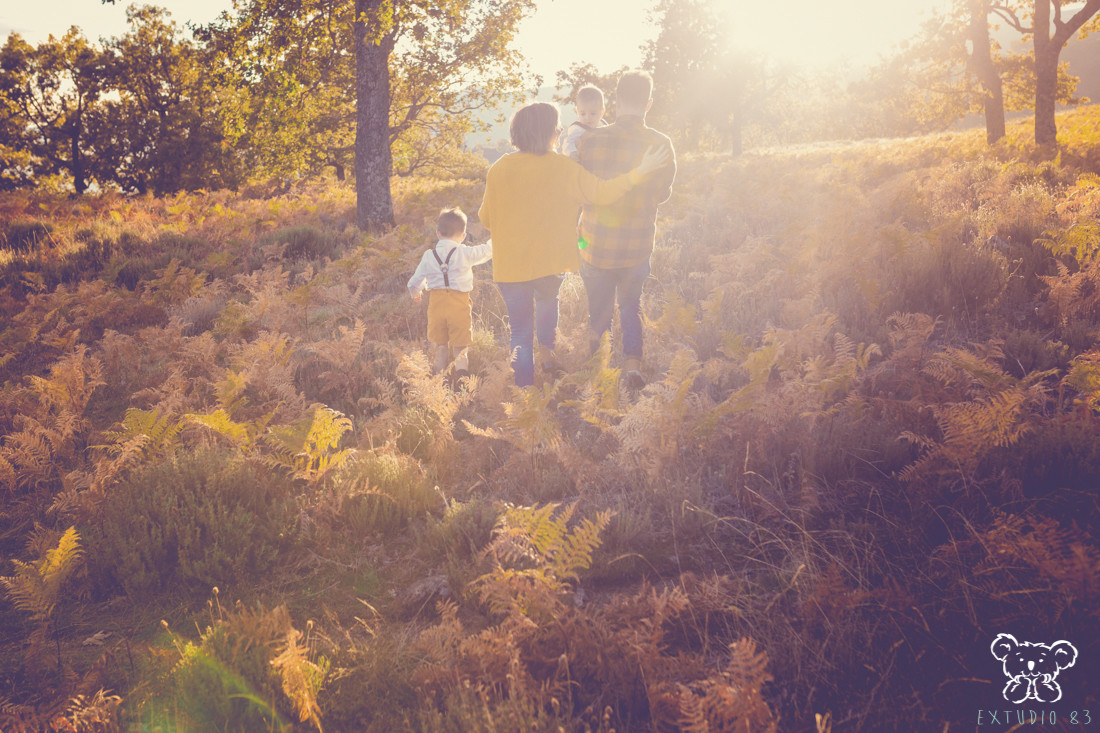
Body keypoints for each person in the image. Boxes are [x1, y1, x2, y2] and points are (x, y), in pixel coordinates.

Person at [478, 101, 669, 388]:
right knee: (547, 304)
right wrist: (640, 171)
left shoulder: (498, 169)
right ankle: (547, 355)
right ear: (549, 133)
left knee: (519, 333)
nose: (559, 132)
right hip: (550, 263)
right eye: (557, 128)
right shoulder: (563, 168)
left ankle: (527, 397)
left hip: (511, 266)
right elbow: (603, 194)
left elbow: (486, 219)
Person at [576, 70, 677, 389]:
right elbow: (662, 194)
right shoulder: (661, 144)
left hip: (594, 245)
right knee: (630, 306)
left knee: (599, 311)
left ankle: (599, 373)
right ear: (648, 103)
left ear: (615, 101)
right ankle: (632, 365)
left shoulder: (588, 140)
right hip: (637, 245)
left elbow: (580, 191)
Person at [407, 207, 492, 382]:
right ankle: (462, 389)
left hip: (436, 307)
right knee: (460, 350)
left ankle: (438, 385)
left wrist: (417, 293)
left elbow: (413, 283)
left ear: (438, 233)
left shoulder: (428, 256)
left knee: (441, 348)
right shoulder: (465, 253)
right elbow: (485, 251)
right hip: (459, 306)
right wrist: (498, 237)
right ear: (463, 236)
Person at [558, 84, 606, 160]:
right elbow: (568, 142)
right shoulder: (577, 128)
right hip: (582, 162)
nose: (587, 118)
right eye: (583, 114)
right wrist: (572, 152)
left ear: (602, 112)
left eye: (593, 113)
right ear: (577, 111)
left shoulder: (603, 125)